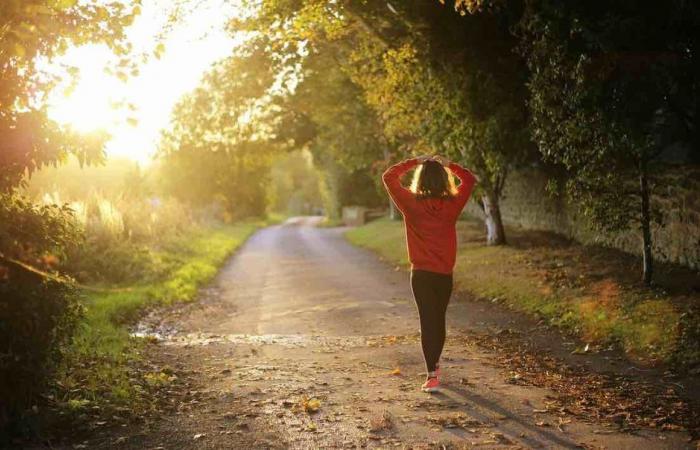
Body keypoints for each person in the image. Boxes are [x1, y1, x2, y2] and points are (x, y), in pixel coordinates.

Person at [382, 154, 477, 392]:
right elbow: (469, 179)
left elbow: (389, 176)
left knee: (428, 322)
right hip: (444, 274)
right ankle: (434, 367)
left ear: (420, 179)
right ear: (444, 180)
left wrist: (415, 161)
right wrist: (449, 164)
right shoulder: (452, 205)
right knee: (439, 320)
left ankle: (432, 374)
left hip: (421, 275)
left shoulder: (410, 204)